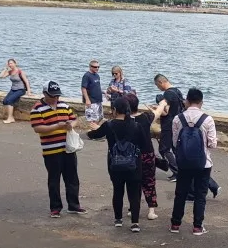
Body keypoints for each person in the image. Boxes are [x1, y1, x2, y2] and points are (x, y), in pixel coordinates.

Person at [87, 95, 147, 231]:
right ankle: (135, 223)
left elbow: (94, 135)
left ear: (114, 110)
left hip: (114, 163)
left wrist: (93, 127)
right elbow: (144, 145)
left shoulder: (109, 125)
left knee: (118, 191)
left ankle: (118, 219)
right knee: (133, 193)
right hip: (134, 164)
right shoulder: (136, 125)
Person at [29, 82, 86, 218]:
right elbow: (38, 128)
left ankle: (74, 205)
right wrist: (57, 126)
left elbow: (74, 119)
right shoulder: (37, 109)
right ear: (45, 94)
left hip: (67, 148)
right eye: (52, 96)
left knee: (72, 178)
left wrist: (70, 125)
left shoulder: (64, 105)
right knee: (54, 180)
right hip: (51, 150)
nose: (55, 98)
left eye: (57, 96)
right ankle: (55, 207)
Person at [169, 87, 217, 236]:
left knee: (181, 193)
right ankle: (197, 226)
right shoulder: (207, 119)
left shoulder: (178, 118)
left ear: (187, 101)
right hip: (203, 163)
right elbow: (212, 144)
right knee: (200, 195)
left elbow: (175, 142)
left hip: (183, 162)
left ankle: (175, 224)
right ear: (201, 102)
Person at [125, 93, 159, 220]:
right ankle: (151, 210)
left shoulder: (125, 121)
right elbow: (158, 113)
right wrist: (161, 104)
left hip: (132, 155)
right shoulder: (145, 117)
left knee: (133, 182)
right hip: (147, 154)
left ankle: (133, 208)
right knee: (149, 181)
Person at [151, 74, 185, 180]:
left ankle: (176, 171)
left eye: (157, 85)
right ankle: (182, 170)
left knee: (164, 149)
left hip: (168, 124)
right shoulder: (177, 91)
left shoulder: (168, 94)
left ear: (161, 82)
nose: (158, 88)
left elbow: (165, 112)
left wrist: (156, 110)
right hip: (178, 123)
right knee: (175, 148)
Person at [0, 59, 30, 124]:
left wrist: (29, 92)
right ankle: (11, 118)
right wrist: (5, 69)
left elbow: (26, 81)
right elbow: (1, 77)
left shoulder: (20, 72)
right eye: (9, 64)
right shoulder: (10, 72)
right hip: (13, 89)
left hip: (21, 90)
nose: (10, 65)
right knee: (5, 101)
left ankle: (10, 118)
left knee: (10, 100)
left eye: (11, 63)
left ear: (15, 63)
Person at [81, 59, 104, 127]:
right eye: (95, 67)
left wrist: (103, 92)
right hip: (91, 101)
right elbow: (83, 88)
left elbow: (96, 87)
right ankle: (92, 132)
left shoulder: (97, 75)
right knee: (92, 119)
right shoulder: (86, 76)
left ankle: (94, 130)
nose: (97, 68)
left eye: (98, 67)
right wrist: (87, 100)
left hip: (98, 100)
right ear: (90, 66)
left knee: (100, 117)